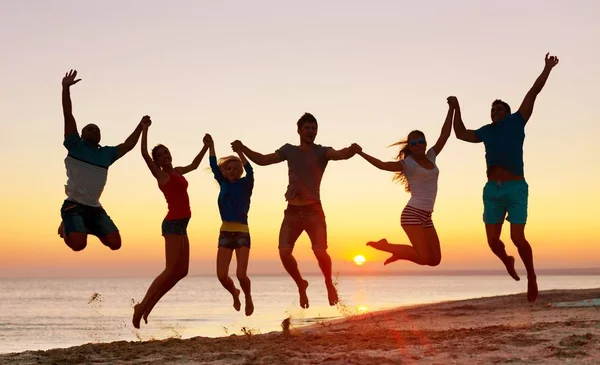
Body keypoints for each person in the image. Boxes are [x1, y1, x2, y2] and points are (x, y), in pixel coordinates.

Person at [452, 53, 560, 303]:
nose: (495, 111)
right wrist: (457, 108)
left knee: (517, 237)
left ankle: (532, 276)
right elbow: (460, 133)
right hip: (492, 190)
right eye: (493, 109)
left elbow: (533, 92)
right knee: (492, 241)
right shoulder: (486, 131)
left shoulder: (517, 121)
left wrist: (547, 69)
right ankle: (508, 261)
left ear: (508, 112)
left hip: (516, 188)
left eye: (499, 108)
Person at [231, 112, 359, 308]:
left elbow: (340, 154)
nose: (311, 131)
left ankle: (328, 283)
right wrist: (243, 149)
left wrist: (351, 150)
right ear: (299, 131)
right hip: (292, 211)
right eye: (307, 128)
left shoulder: (322, 151)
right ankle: (301, 283)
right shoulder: (289, 150)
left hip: (313, 211)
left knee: (320, 251)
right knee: (284, 253)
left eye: (314, 128)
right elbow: (263, 160)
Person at [356, 98, 454, 266]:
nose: (418, 144)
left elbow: (444, 135)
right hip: (412, 215)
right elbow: (382, 165)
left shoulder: (431, 155)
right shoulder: (408, 164)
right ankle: (387, 246)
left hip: (426, 216)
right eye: (413, 143)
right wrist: (360, 153)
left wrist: (452, 108)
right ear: (410, 146)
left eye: (420, 141)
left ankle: (400, 254)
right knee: (423, 258)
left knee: (435, 260)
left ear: (425, 143)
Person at [132, 120, 209, 328]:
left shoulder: (177, 171)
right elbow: (144, 155)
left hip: (182, 226)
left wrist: (206, 146)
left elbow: (194, 165)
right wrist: (144, 129)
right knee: (169, 270)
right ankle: (141, 306)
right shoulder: (162, 175)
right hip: (173, 224)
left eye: (166, 153)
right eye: (161, 156)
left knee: (182, 271)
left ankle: (149, 306)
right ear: (157, 162)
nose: (165, 157)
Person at [58, 69, 146, 252]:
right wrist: (66, 88)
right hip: (74, 204)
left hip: (94, 208)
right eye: (90, 129)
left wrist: (141, 126)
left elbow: (128, 145)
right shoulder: (75, 145)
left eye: (97, 130)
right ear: (82, 134)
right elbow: (68, 115)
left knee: (115, 244)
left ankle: (83, 226)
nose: (94, 131)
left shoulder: (106, 154)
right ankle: (68, 224)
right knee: (78, 245)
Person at [206, 134, 255, 316]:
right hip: (225, 232)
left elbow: (251, 170)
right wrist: (211, 146)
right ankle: (235, 293)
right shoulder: (223, 183)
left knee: (241, 275)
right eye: (229, 168)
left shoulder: (246, 184)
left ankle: (248, 297)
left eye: (236, 168)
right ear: (224, 172)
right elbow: (213, 166)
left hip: (242, 231)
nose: (233, 171)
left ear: (240, 171)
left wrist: (241, 152)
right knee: (221, 276)